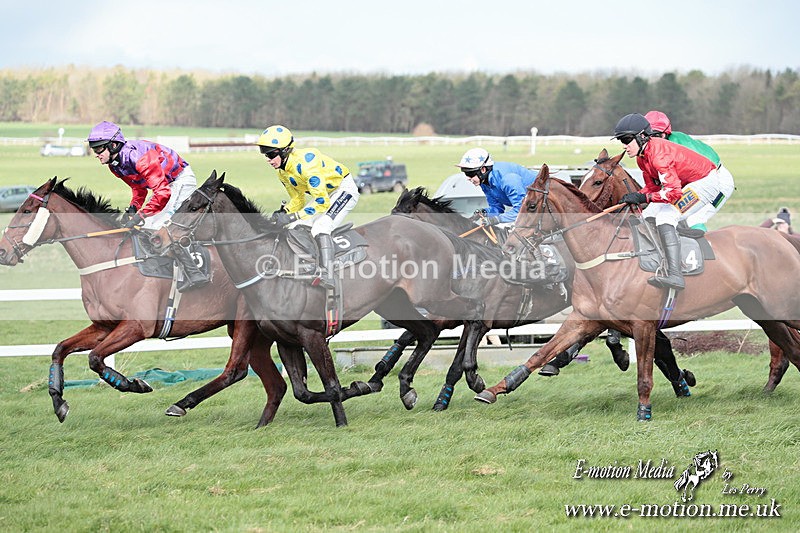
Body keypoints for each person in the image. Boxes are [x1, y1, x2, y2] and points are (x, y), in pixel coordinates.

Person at [87, 121, 208, 288]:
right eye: (94, 149)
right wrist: (134, 207)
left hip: (180, 180)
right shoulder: (115, 166)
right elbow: (139, 187)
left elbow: (163, 193)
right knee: (146, 228)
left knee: (161, 227)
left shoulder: (139, 159)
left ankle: (194, 273)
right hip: (164, 186)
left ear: (113, 145)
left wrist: (141, 215)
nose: (96, 154)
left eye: (99, 149)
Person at [613, 113, 723, 290]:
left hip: (705, 183)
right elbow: (653, 188)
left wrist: (644, 198)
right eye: (622, 141)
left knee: (666, 217)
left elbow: (672, 193)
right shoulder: (642, 157)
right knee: (648, 214)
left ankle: (675, 274)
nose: (625, 146)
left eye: (627, 140)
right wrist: (635, 196)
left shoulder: (659, 156)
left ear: (642, 136)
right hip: (687, 183)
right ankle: (660, 257)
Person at [256, 125, 359, 289]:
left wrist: (292, 216)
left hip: (343, 190)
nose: (268, 159)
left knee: (320, 227)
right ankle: (310, 266)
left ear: (284, 151)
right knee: (297, 226)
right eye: (265, 154)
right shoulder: (282, 172)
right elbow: (298, 199)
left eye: (271, 154)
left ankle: (328, 274)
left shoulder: (307, 165)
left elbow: (322, 202)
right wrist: (285, 212)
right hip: (325, 193)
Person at [644, 110, 735, 232]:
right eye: (649, 136)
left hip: (718, 182)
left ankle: (706, 249)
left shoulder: (675, 146)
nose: (654, 140)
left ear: (666, 133)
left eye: (657, 135)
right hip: (696, 180)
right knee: (654, 212)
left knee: (693, 219)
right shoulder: (654, 150)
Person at [455, 148, 538, 227]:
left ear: (483, 170)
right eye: (465, 174)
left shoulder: (508, 179)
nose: (468, 178)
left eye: (470, 174)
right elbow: (497, 209)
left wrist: (497, 219)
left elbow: (522, 211)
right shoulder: (484, 183)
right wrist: (484, 212)